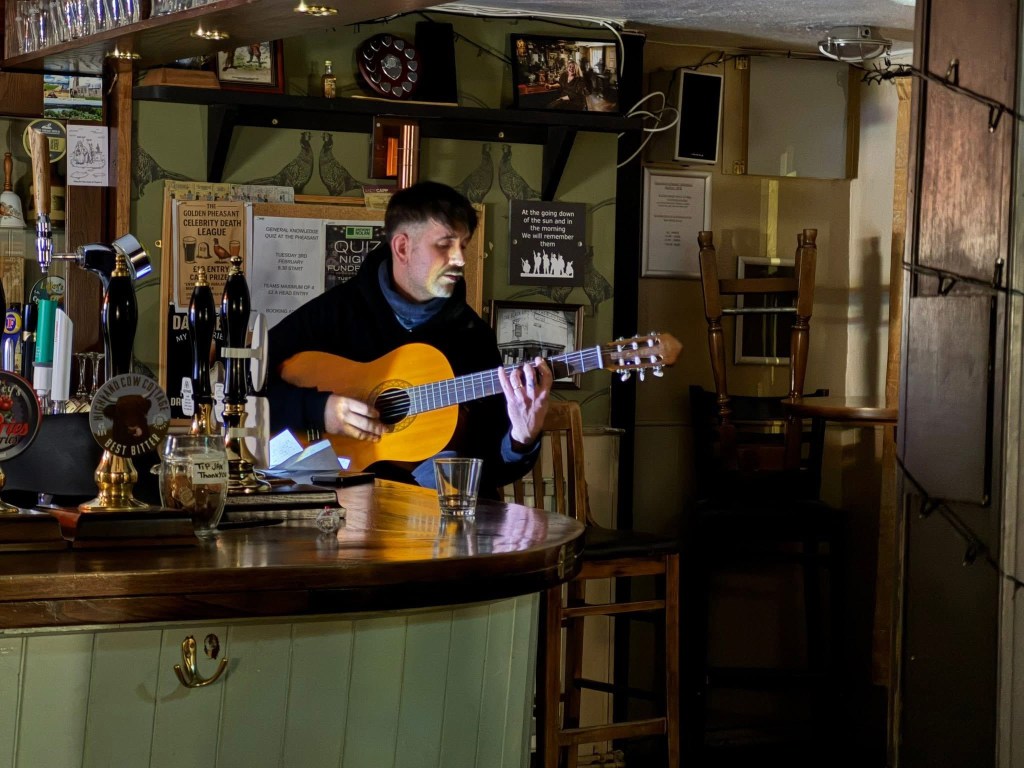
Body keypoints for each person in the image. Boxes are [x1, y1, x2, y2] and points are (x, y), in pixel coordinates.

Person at [266, 181, 552, 498]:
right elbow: (246, 389)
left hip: (437, 525)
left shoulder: (472, 336)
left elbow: (490, 472)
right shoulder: (334, 313)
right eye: (444, 245)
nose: (459, 259)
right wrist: (319, 410)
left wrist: (522, 439)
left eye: (464, 246)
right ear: (403, 247)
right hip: (341, 510)